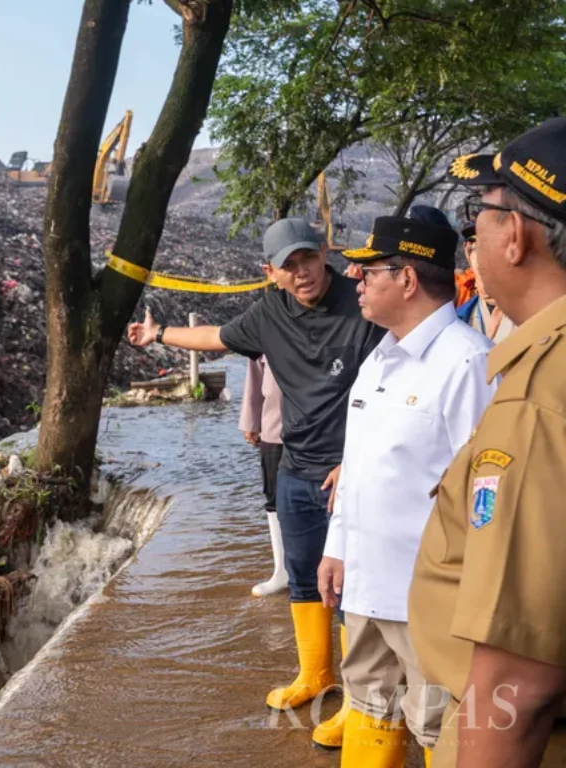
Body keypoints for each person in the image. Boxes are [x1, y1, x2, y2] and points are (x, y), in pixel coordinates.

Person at [127, 218, 385, 749]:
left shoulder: (362, 304)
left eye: (308, 259)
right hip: (296, 467)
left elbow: (399, 376)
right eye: (288, 266)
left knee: (357, 589)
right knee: (303, 577)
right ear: (271, 273)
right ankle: (316, 675)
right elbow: (216, 337)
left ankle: (363, 704)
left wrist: (363, 459)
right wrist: (159, 335)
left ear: (324, 253)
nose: (302, 272)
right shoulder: (269, 313)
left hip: (354, 470)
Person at [409, 116, 566, 768]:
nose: (472, 238)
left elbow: (516, 687)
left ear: (519, 237)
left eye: (482, 216)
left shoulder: (538, 394)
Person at [317, 215, 497, 765]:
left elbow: (488, 494)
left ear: (408, 279)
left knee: (440, 730)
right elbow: (361, 463)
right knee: (370, 710)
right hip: (368, 587)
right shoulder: (380, 358)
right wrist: (337, 545)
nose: (355, 279)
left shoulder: (468, 362)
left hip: (430, 601)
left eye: (369, 271)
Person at [238, 355, 287, 596]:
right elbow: (255, 370)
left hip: (318, 430)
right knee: (274, 497)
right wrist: (251, 420)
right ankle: (282, 570)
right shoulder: (267, 322)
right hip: (274, 428)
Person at [457, 222, 518, 341]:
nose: (485, 257)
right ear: (468, 253)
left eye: (494, 246)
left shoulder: (536, 312)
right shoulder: (461, 317)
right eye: (477, 247)